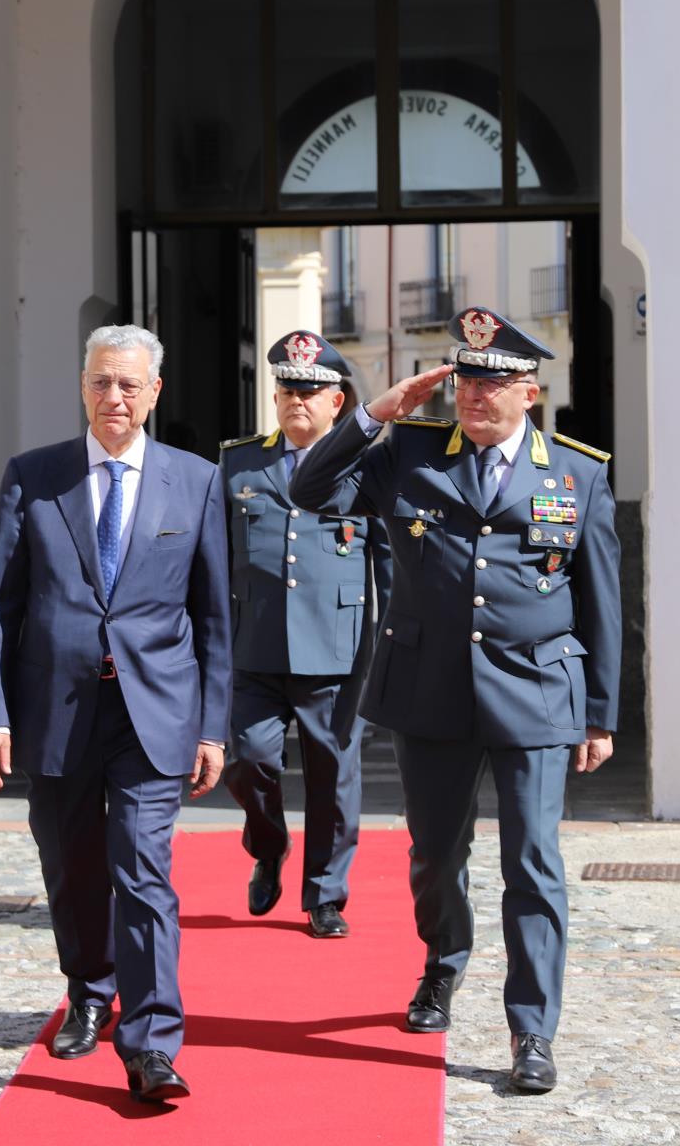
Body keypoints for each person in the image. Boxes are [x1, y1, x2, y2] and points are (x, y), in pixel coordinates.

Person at [290, 305, 622, 1095]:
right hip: (430, 689)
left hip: (537, 691)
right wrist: (375, 413)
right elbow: (309, 490)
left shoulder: (576, 473)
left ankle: (532, 1029)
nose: (476, 394)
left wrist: (601, 713)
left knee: (532, 864)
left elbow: (601, 597)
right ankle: (442, 966)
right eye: (467, 378)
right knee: (436, 856)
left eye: (495, 381)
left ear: (530, 392)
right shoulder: (407, 454)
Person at [0, 323, 230, 1105]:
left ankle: (152, 1040)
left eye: (128, 384)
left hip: (155, 711)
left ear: (155, 392)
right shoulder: (34, 475)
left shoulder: (196, 481)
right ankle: (89, 990)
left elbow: (215, 615)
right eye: (99, 383)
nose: (113, 397)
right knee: (73, 863)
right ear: (82, 387)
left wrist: (213, 724)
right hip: (56, 709)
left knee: (143, 871)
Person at [219, 330, 390, 939]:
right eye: (288, 388)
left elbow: (388, 570)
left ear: (336, 402)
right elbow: (213, 560)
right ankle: (268, 845)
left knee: (334, 777)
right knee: (250, 760)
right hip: (255, 649)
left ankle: (325, 895)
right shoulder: (238, 462)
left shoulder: (368, 468)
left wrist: (384, 660)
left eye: (311, 390)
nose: (298, 399)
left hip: (336, 650)